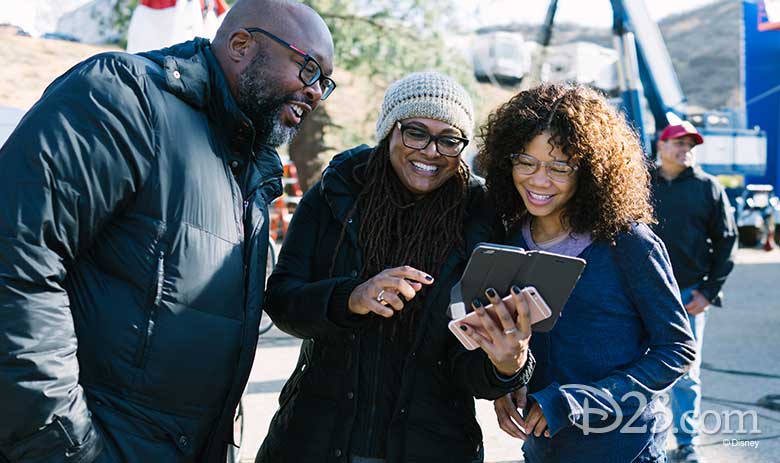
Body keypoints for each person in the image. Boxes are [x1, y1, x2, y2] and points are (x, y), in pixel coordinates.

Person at [0, 0, 335, 461]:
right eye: (310, 69)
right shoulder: (123, 98)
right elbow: (17, 263)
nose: (316, 92)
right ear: (241, 44)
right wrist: (63, 445)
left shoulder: (250, 171)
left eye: (325, 83)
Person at [255, 71, 535, 463]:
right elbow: (283, 299)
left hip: (434, 446)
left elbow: (468, 368)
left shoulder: (481, 215)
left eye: (448, 139)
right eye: (416, 132)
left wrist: (507, 364)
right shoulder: (338, 191)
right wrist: (351, 298)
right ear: (389, 130)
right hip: (314, 439)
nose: (431, 151)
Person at [482, 83, 697, 463]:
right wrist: (505, 385)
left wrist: (582, 401)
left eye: (559, 167)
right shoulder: (507, 239)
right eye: (525, 162)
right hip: (542, 452)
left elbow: (676, 349)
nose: (538, 180)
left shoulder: (627, 242)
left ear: (592, 170)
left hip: (626, 451)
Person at [651, 122, 738, 463]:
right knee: (641, 370)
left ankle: (687, 443)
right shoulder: (641, 183)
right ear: (662, 144)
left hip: (688, 295)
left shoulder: (708, 188)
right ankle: (647, 438)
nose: (685, 148)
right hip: (644, 294)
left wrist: (708, 292)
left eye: (690, 144)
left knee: (686, 375)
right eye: (678, 142)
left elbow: (727, 242)